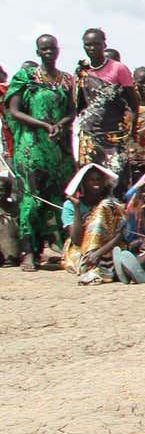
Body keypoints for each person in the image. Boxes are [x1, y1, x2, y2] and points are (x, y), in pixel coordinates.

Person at [5, 34, 78, 271]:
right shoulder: (25, 77)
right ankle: (29, 252)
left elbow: (71, 111)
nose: (48, 52)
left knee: (59, 196)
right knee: (31, 198)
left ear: (58, 51)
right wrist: (44, 125)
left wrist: (61, 124)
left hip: (58, 147)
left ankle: (59, 248)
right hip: (32, 146)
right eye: (43, 49)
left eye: (52, 48)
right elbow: (14, 110)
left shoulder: (66, 79)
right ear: (38, 52)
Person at [75, 28, 139, 193]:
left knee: (118, 180)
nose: (92, 48)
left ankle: (117, 216)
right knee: (91, 179)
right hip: (90, 136)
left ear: (104, 44)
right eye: (88, 45)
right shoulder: (82, 71)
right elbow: (79, 104)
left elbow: (133, 103)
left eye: (96, 44)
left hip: (115, 136)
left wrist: (132, 131)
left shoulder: (118, 69)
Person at [63, 164, 127, 285]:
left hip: (106, 246)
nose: (96, 183)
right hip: (81, 249)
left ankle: (106, 266)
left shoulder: (111, 204)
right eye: (91, 180)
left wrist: (98, 253)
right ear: (83, 183)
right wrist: (77, 208)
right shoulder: (70, 206)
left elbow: (120, 234)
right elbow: (76, 240)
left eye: (98, 180)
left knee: (105, 205)